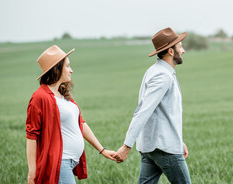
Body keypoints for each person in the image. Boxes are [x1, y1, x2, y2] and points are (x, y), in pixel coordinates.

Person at [26, 45, 116, 184]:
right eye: (67, 66)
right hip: (59, 163)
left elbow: (81, 123)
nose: (71, 70)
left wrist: (102, 150)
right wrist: (32, 173)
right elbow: (32, 136)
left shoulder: (63, 95)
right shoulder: (40, 97)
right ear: (57, 68)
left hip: (70, 162)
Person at [114, 27, 192, 184]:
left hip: (152, 147)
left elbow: (163, 113)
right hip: (164, 148)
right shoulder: (162, 76)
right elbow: (144, 111)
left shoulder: (155, 71)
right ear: (171, 51)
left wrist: (178, 141)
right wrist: (126, 146)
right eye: (180, 46)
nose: (183, 51)